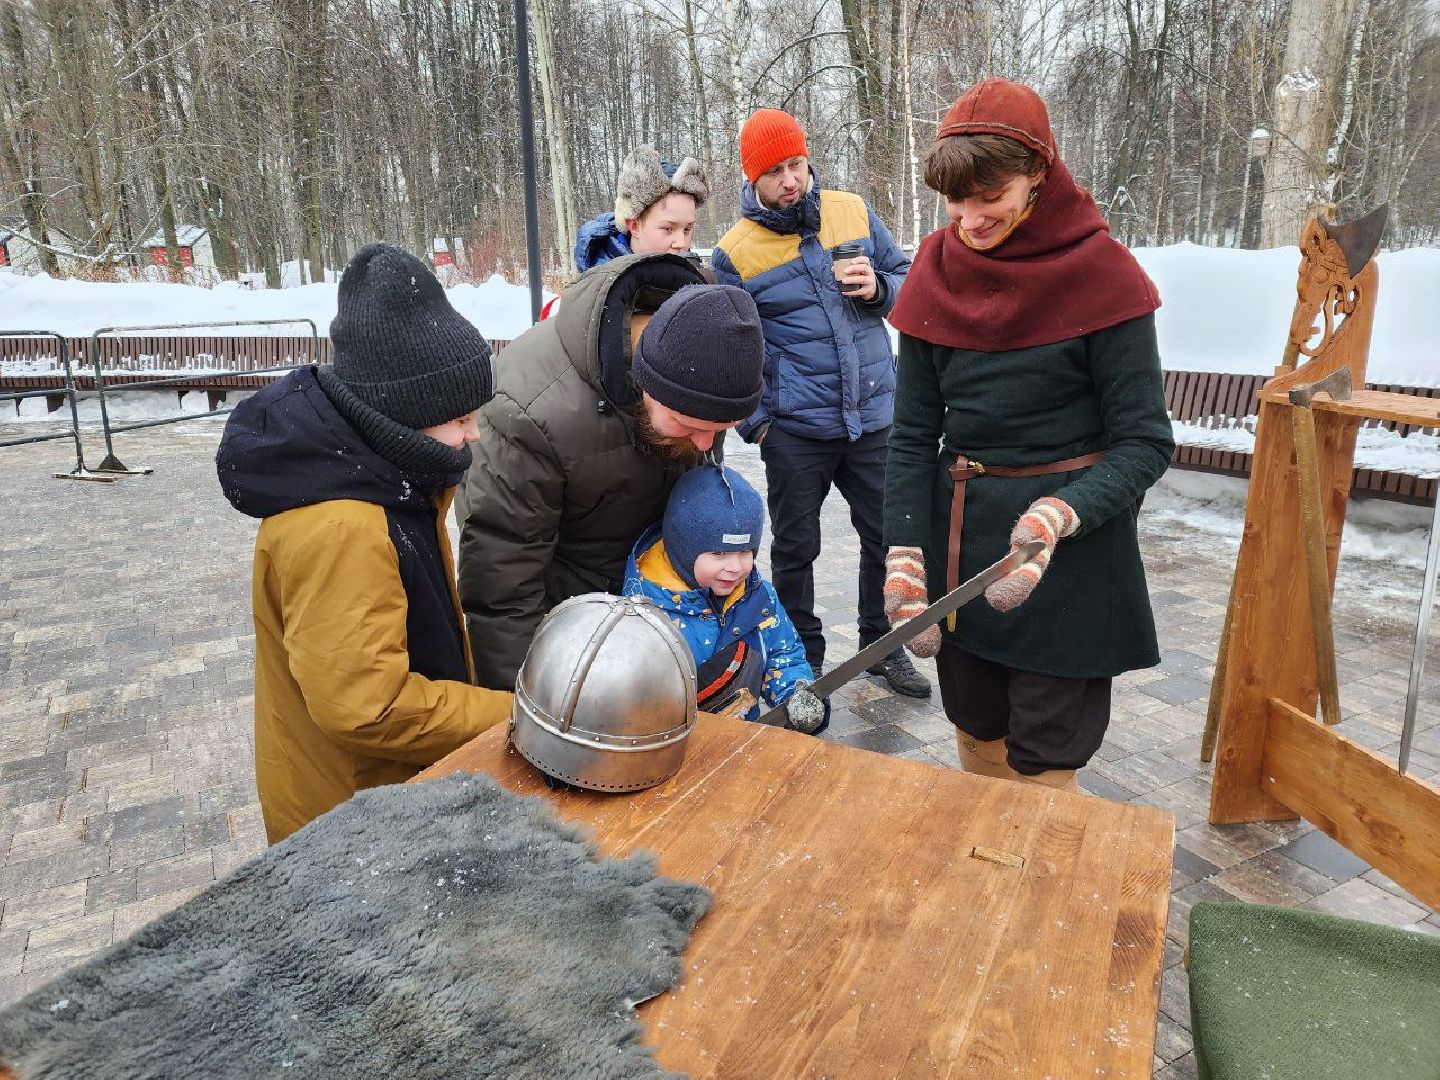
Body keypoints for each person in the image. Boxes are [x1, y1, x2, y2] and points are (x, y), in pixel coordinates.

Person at [881, 79, 1175, 792]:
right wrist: (905, 550)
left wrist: (1060, 514)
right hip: (965, 542)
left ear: (1038, 172)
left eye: (990, 197)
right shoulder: (934, 268)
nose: (970, 220)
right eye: (955, 202)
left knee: (1044, 753)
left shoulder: (1104, 274)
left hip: (1071, 549)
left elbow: (1145, 441)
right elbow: (912, 435)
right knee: (976, 725)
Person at [216, 244, 512, 842]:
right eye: (460, 418)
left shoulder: (390, 478)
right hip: (353, 817)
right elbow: (368, 706)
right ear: (402, 414)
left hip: (385, 796)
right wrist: (515, 714)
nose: (475, 433)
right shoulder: (342, 527)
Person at [458, 255, 765, 690]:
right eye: (688, 426)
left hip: (650, 618)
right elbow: (502, 587)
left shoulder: (705, 367)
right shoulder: (528, 413)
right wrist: (528, 703)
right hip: (564, 624)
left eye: (719, 431)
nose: (703, 445)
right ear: (646, 382)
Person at [709, 108, 928, 700]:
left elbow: (908, 278)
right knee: (795, 548)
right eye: (774, 171)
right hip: (795, 430)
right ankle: (802, 660)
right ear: (753, 178)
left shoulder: (851, 211)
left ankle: (881, 647)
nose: (790, 180)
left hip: (873, 415)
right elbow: (733, 347)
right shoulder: (734, 253)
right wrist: (760, 425)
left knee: (886, 536)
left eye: (797, 164)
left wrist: (880, 289)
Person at [624, 463, 827, 733]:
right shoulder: (642, 612)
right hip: (669, 745)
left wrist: (795, 691)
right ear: (683, 550)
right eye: (719, 554)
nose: (734, 567)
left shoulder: (759, 599)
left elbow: (784, 654)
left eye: (745, 552)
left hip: (739, 739)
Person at [574, 144, 710, 272]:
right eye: (668, 229)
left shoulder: (694, 273)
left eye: (687, 230)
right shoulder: (602, 284)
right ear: (634, 226)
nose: (681, 243)